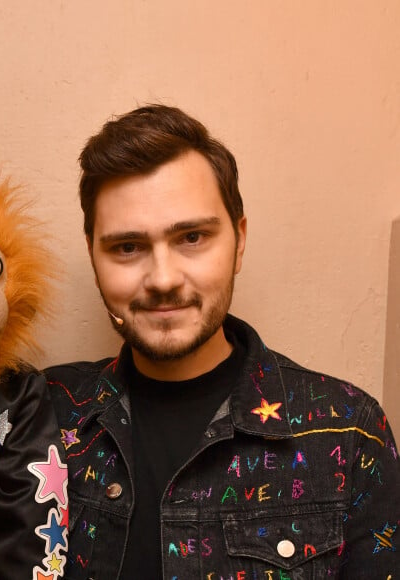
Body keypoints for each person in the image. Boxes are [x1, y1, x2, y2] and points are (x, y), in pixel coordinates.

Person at [45, 104, 400, 579]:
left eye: (192, 237)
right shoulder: (44, 413)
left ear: (239, 238)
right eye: (127, 247)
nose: (163, 279)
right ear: (93, 254)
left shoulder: (348, 430)